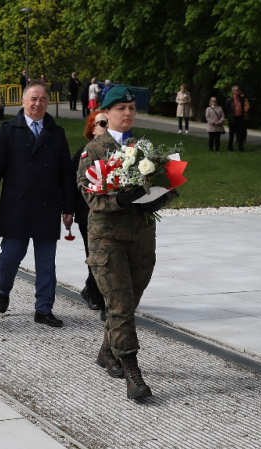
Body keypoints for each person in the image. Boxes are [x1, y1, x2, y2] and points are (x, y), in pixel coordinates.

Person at [76, 86, 179, 400]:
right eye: (121, 107)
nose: (128, 113)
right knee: (119, 304)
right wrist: (120, 199)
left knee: (131, 299)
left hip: (141, 237)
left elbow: (170, 184)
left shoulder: (144, 148)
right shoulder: (94, 150)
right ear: (106, 113)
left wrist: (156, 201)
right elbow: (89, 194)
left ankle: (107, 350)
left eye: (132, 107)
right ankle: (132, 371)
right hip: (107, 239)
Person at [0, 82, 75, 328]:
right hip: (16, 205)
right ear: (23, 101)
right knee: (10, 256)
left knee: (46, 261)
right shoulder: (7, 131)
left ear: (48, 103)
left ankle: (43, 309)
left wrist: (69, 207)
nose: (38, 103)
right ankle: (4, 289)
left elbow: (66, 172)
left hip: (47, 206)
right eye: (33, 98)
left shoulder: (57, 133)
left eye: (43, 99)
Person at [70, 112, 107, 312]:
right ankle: (94, 293)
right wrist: (69, 210)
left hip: (110, 213)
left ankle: (93, 289)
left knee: (107, 255)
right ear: (92, 128)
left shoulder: (118, 151)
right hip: (88, 214)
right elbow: (70, 183)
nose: (106, 127)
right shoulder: (83, 153)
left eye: (108, 123)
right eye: (102, 123)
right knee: (94, 256)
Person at [224, 85, 248, 152]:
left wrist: (240, 93)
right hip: (233, 119)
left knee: (240, 134)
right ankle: (230, 148)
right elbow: (226, 109)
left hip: (240, 118)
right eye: (235, 90)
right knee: (231, 134)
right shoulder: (229, 100)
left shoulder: (241, 99)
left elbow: (245, 96)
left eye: (238, 90)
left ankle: (241, 148)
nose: (237, 91)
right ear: (233, 91)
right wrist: (228, 117)